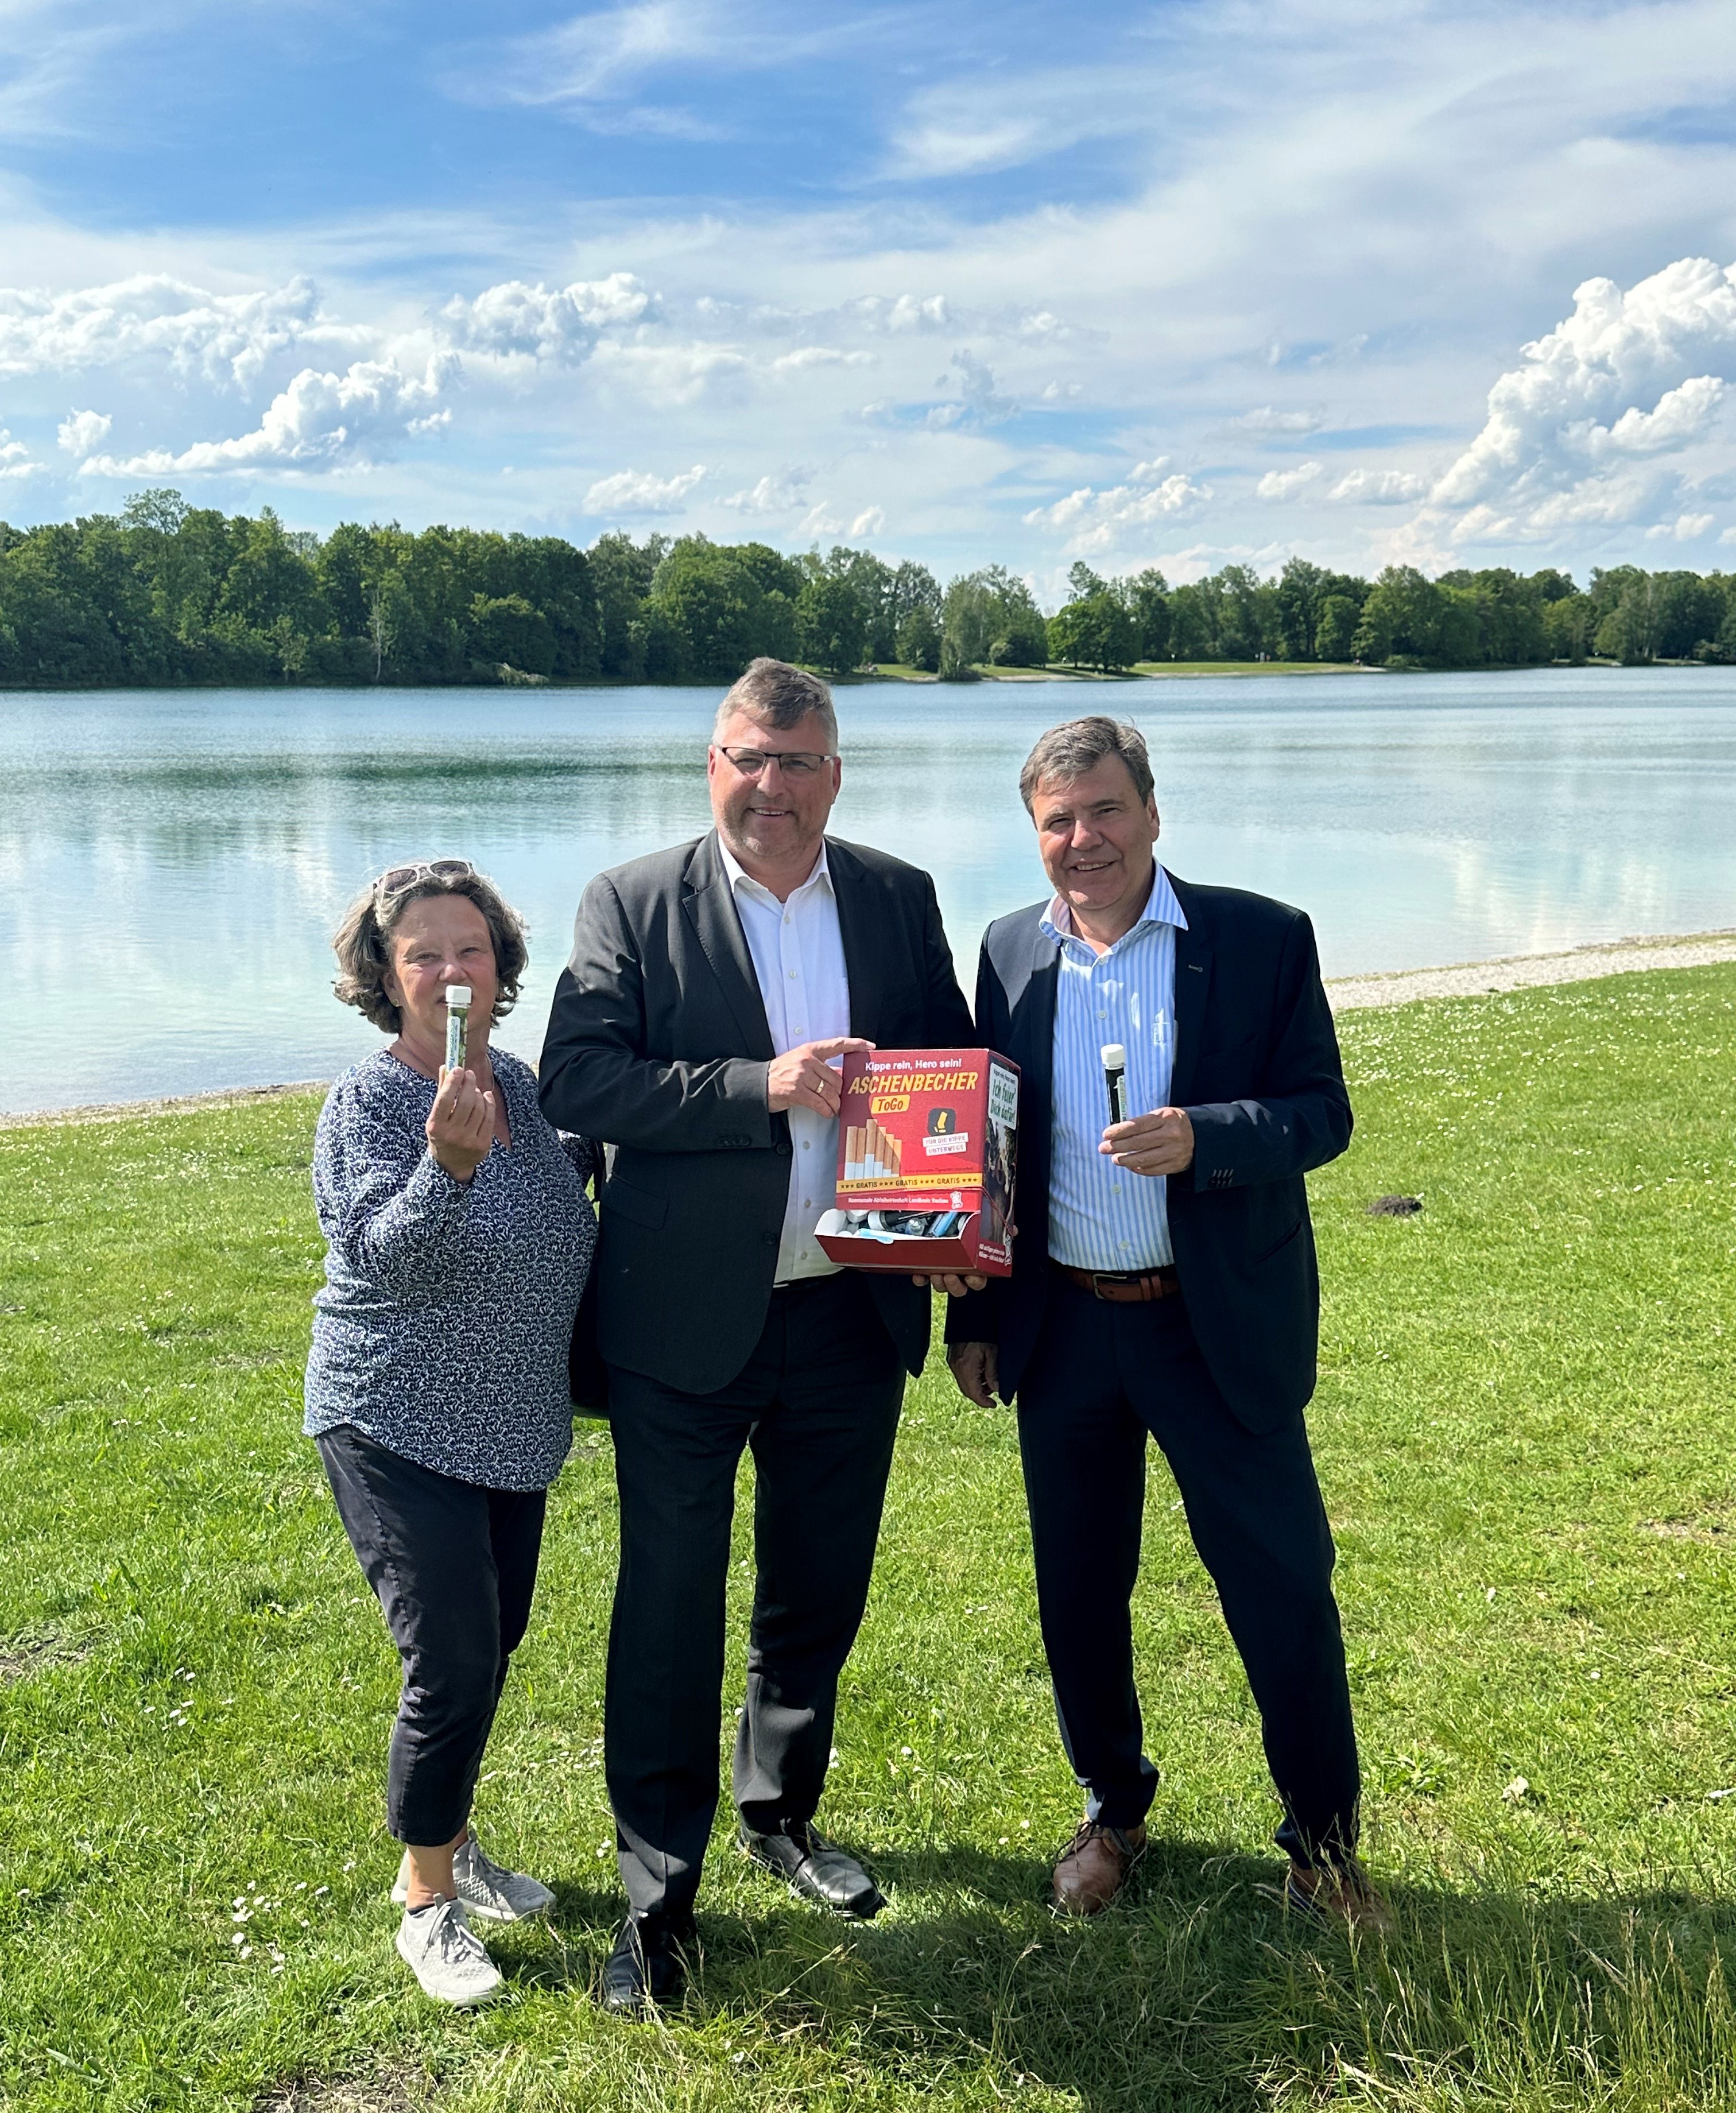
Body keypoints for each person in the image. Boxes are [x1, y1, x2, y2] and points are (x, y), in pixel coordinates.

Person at [538, 658, 976, 2013]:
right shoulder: (630, 900)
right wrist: (759, 1085)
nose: (769, 786)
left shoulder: (898, 897)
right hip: (682, 1323)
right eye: (746, 758)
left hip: (850, 1309)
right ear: (710, 765)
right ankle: (657, 1897)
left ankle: (781, 1811)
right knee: (668, 1606)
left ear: (833, 774)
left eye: (795, 762)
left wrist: (968, 1244)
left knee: (816, 1586)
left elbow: (952, 1073)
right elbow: (579, 1075)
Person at [943, 717, 1388, 1930]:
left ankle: (1323, 1847)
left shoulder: (1257, 936)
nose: (1081, 840)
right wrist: (975, 1314)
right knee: (1080, 1591)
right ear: (1035, 834)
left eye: (1102, 810)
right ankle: (1114, 1806)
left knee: (1283, 1585)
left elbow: (1322, 1112)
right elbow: (994, 1149)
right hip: (1068, 1328)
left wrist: (1212, 1137)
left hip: (1212, 1327)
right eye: (1056, 821)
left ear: (1151, 810)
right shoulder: (1009, 953)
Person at [305, 860, 599, 2006]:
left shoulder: (523, 1089)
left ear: (500, 966)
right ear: (387, 976)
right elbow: (385, 1257)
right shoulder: (371, 1103)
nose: (448, 970)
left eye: (467, 948)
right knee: (454, 1657)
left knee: (492, 1643)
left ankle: (452, 1841)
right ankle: (426, 1899)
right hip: (392, 1415)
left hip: (514, 1424)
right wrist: (448, 1166)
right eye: (422, 953)